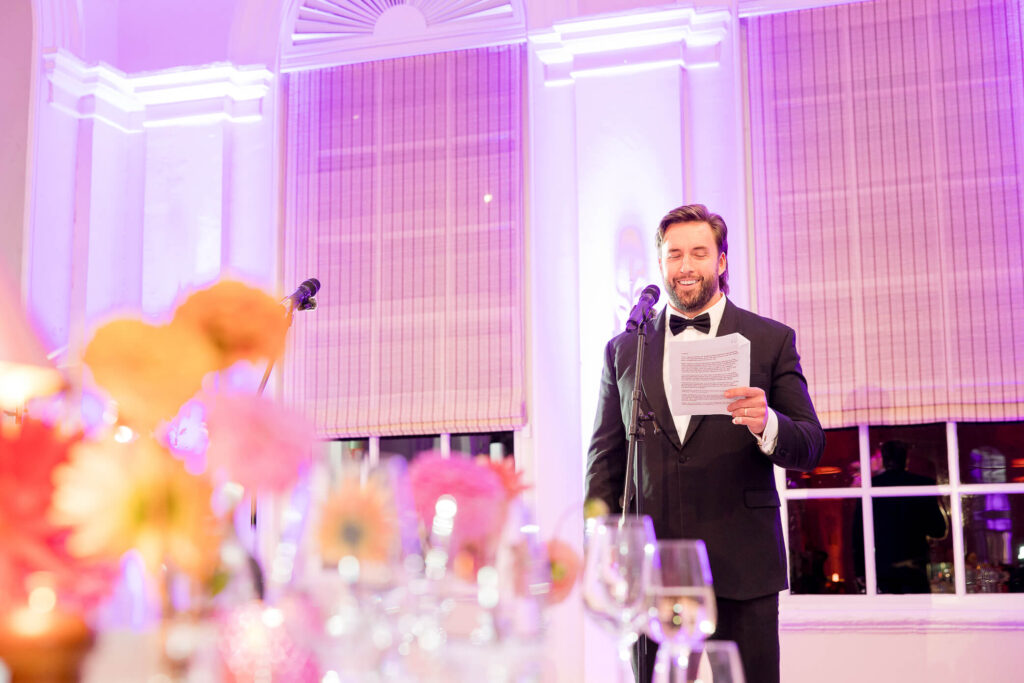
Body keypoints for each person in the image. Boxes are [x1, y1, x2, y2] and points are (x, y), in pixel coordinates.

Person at [585, 204, 825, 683]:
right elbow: (605, 458)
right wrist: (602, 542)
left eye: (699, 253)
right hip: (653, 573)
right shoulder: (625, 347)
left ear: (721, 261)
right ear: (661, 265)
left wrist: (767, 423)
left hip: (743, 565)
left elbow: (810, 444)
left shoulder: (770, 339)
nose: (686, 266)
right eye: (674, 255)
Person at [870, 440, 948, 593]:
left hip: (882, 569)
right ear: (906, 459)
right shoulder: (923, 484)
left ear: (884, 461)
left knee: (886, 615)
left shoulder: (871, 486)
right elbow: (938, 529)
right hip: (915, 569)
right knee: (919, 614)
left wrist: (861, 572)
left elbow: (858, 534)